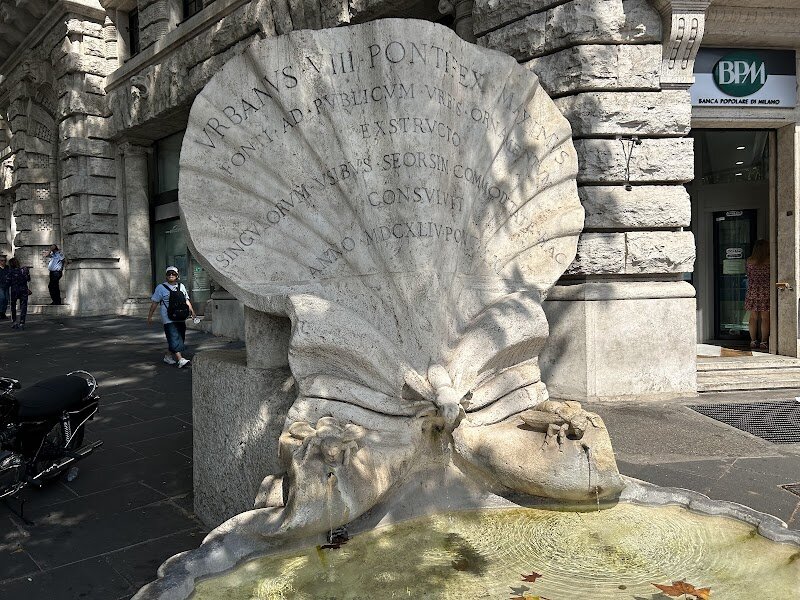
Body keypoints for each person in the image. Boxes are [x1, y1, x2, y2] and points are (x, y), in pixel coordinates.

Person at [147, 266, 196, 368]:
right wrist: (150, 316)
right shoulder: (160, 288)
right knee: (173, 337)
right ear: (166, 276)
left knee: (181, 337)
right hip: (168, 317)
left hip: (180, 315)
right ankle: (180, 359)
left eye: (173, 274)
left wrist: (192, 312)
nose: (171, 275)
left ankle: (168, 356)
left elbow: (186, 300)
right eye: (169, 274)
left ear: (177, 275)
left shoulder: (181, 286)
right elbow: (155, 303)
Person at [745, 239, 770, 350]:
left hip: (753, 291)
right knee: (765, 318)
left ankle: (753, 341)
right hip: (766, 291)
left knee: (753, 317)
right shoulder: (770, 261)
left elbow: (747, 274)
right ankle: (764, 342)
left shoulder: (749, 261)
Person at [7, 257, 31, 330]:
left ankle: (14, 321)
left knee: (13, 306)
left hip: (14, 290)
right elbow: (28, 279)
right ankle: (22, 322)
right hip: (23, 290)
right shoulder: (23, 270)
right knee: (23, 306)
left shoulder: (10, 271)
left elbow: (8, 282)